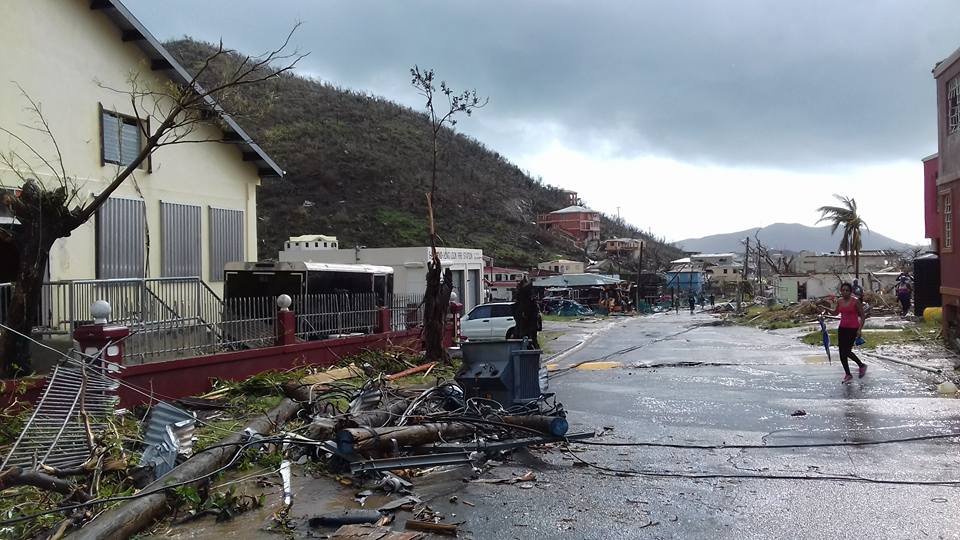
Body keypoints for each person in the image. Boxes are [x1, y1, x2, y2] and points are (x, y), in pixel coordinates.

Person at [824, 282, 867, 383]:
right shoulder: (840, 301)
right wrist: (825, 309)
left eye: (847, 290)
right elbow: (835, 313)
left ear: (851, 291)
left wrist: (860, 329)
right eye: (843, 290)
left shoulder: (855, 301)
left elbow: (862, 316)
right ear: (841, 291)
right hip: (842, 328)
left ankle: (861, 365)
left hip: (853, 328)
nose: (845, 292)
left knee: (847, 351)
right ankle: (848, 374)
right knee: (841, 352)